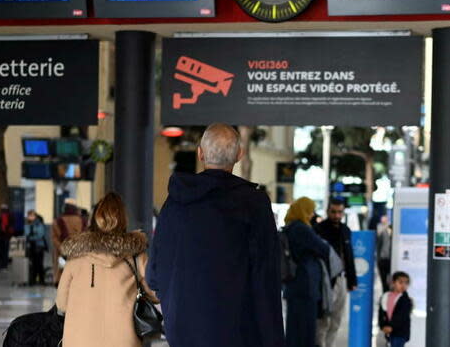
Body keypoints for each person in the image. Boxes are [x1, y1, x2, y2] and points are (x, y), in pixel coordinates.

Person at [147, 123, 283, 347]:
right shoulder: (253, 203)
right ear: (240, 155)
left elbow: (155, 272)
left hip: (182, 331)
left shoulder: (175, 202)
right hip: (236, 330)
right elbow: (266, 274)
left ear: (200, 154)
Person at [56, 192, 157, 347]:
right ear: (123, 220)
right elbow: (155, 294)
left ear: (94, 220)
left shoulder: (75, 258)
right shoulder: (137, 256)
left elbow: (61, 304)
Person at [283, 197, 332, 347]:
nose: (312, 215)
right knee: (306, 331)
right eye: (310, 211)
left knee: (294, 329)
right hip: (305, 286)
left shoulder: (290, 227)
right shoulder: (301, 229)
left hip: (294, 285)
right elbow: (324, 249)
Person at [315, 198, 358, 347]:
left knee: (336, 319)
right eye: (333, 212)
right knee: (323, 318)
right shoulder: (319, 229)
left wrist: (352, 280)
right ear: (328, 211)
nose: (337, 215)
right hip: (326, 280)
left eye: (340, 212)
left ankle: (330, 344)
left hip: (342, 279)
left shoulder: (345, 230)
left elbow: (349, 255)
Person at [52, 202, 86, 283]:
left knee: (62, 272)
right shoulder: (82, 221)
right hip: (79, 252)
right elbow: (86, 236)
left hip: (63, 252)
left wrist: (62, 249)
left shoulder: (58, 221)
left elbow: (54, 238)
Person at [378, 271, 413, 347]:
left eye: (406, 283)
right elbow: (381, 313)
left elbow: (401, 316)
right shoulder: (386, 296)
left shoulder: (405, 300)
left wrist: (391, 327)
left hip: (400, 332)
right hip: (389, 331)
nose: (403, 285)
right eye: (400, 282)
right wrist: (382, 326)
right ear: (393, 283)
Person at [24, 210, 48, 286]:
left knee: (39, 263)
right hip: (31, 247)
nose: (29, 217)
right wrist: (31, 236)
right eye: (29, 215)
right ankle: (32, 280)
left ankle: (42, 280)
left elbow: (40, 235)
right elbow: (26, 233)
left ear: (35, 216)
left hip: (39, 246)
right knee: (32, 264)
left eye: (31, 215)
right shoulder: (27, 224)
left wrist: (31, 237)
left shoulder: (39, 224)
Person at [376, 215, 393, 293]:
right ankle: (384, 294)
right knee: (383, 280)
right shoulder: (382, 232)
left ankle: (389, 294)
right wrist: (378, 259)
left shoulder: (395, 234)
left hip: (391, 260)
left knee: (391, 279)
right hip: (383, 260)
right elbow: (379, 246)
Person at [0, 204, 14, 269]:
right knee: (5, 251)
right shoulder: (10, 215)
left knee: (0, 251)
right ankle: (4, 265)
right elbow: (11, 226)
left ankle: (0, 264)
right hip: (6, 236)